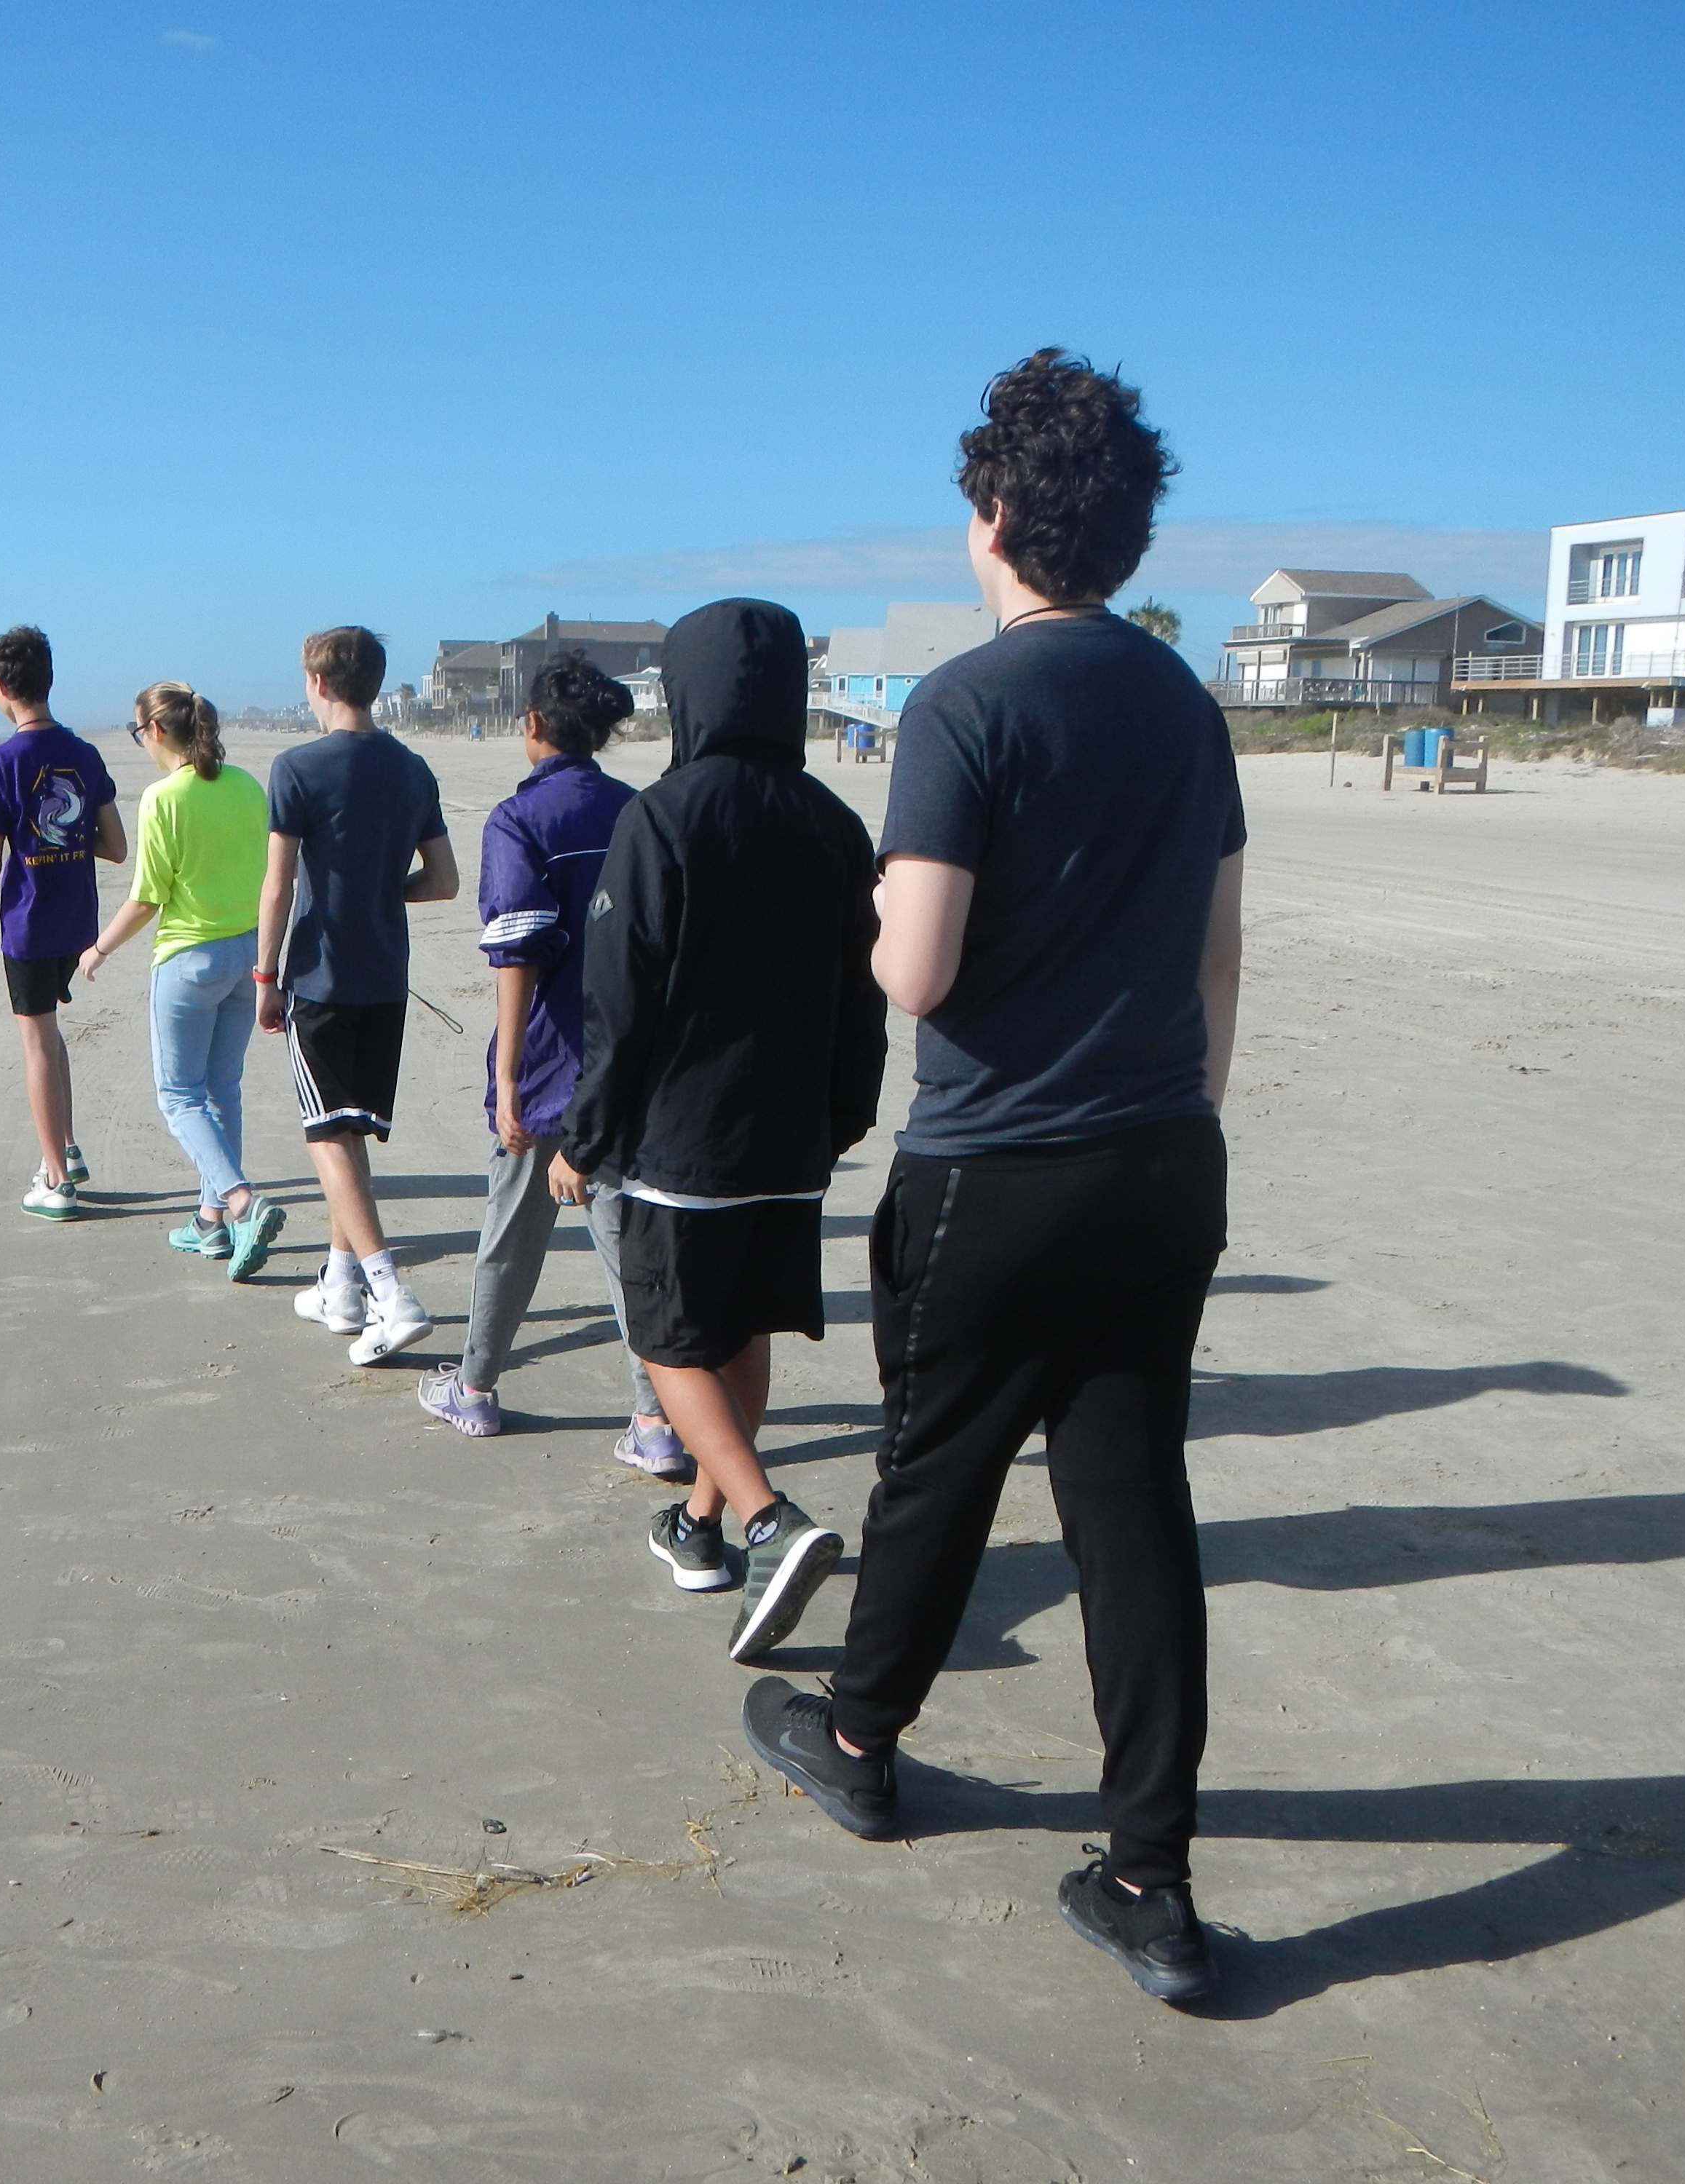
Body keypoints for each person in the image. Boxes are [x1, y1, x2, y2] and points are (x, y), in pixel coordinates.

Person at [735, 349, 1248, 2009]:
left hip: (999, 1162)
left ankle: (863, 1733)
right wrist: (1173, 1116)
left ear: (996, 520)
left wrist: (875, 913)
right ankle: (1148, 1876)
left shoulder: (965, 702)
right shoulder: (1180, 703)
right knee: (1129, 1501)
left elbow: (917, 971)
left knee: (935, 1465)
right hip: (1164, 1153)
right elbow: (1215, 950)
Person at [555, 598, 886, 1661]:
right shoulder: (833, 822)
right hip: (792, 1140)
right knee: (741, 1328)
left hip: (685, 1143)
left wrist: (585, 1137)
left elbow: (621, 1004)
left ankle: (765, 1517)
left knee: (667, 1339)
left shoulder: (663, 818)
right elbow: (862, 993)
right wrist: (845, 1114)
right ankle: (701, 1527)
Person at [414, 652, 688, 1480]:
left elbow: (516, 954)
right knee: (622, 1241)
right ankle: (653, 1418)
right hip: (632, 1061)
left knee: (511, 1229)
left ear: (532, 726)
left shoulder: (519, 819)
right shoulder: (642, 810)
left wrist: (504, 1079)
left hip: (546, 1061)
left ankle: (476, 1385)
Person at [256, 627, 458, 1364]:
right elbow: (441, 881)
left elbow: (277, 884)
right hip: (384, 977)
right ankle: (340, 1284)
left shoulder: (297, 767)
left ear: (318, 685)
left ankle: (389, 1289)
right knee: (350, 1128)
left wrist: (263, 976)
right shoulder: (411, 769)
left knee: (326, 1135)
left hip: (319, 976)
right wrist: (381, 892)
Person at [76, 682, 285, 1278]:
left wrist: (98, 949)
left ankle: (241, 1202)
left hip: (190, 961)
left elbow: (147, 898)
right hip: (248, 954)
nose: (140, 741)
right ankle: (210, 1223)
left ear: (157, 732)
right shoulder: (246, 785)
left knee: (179, 1096)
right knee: (224, 1090)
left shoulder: (163, 798)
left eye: (138, 731)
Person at [0, 625, 125, 1219]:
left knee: (36, 1044)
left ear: (1, 687)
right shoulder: (84, 755)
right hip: (78, 920)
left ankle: (56, 1179)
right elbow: (116, 846)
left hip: (28, 925)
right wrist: (67, 839)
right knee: (51, 1037)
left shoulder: (0, 763)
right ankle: (68, 1148)